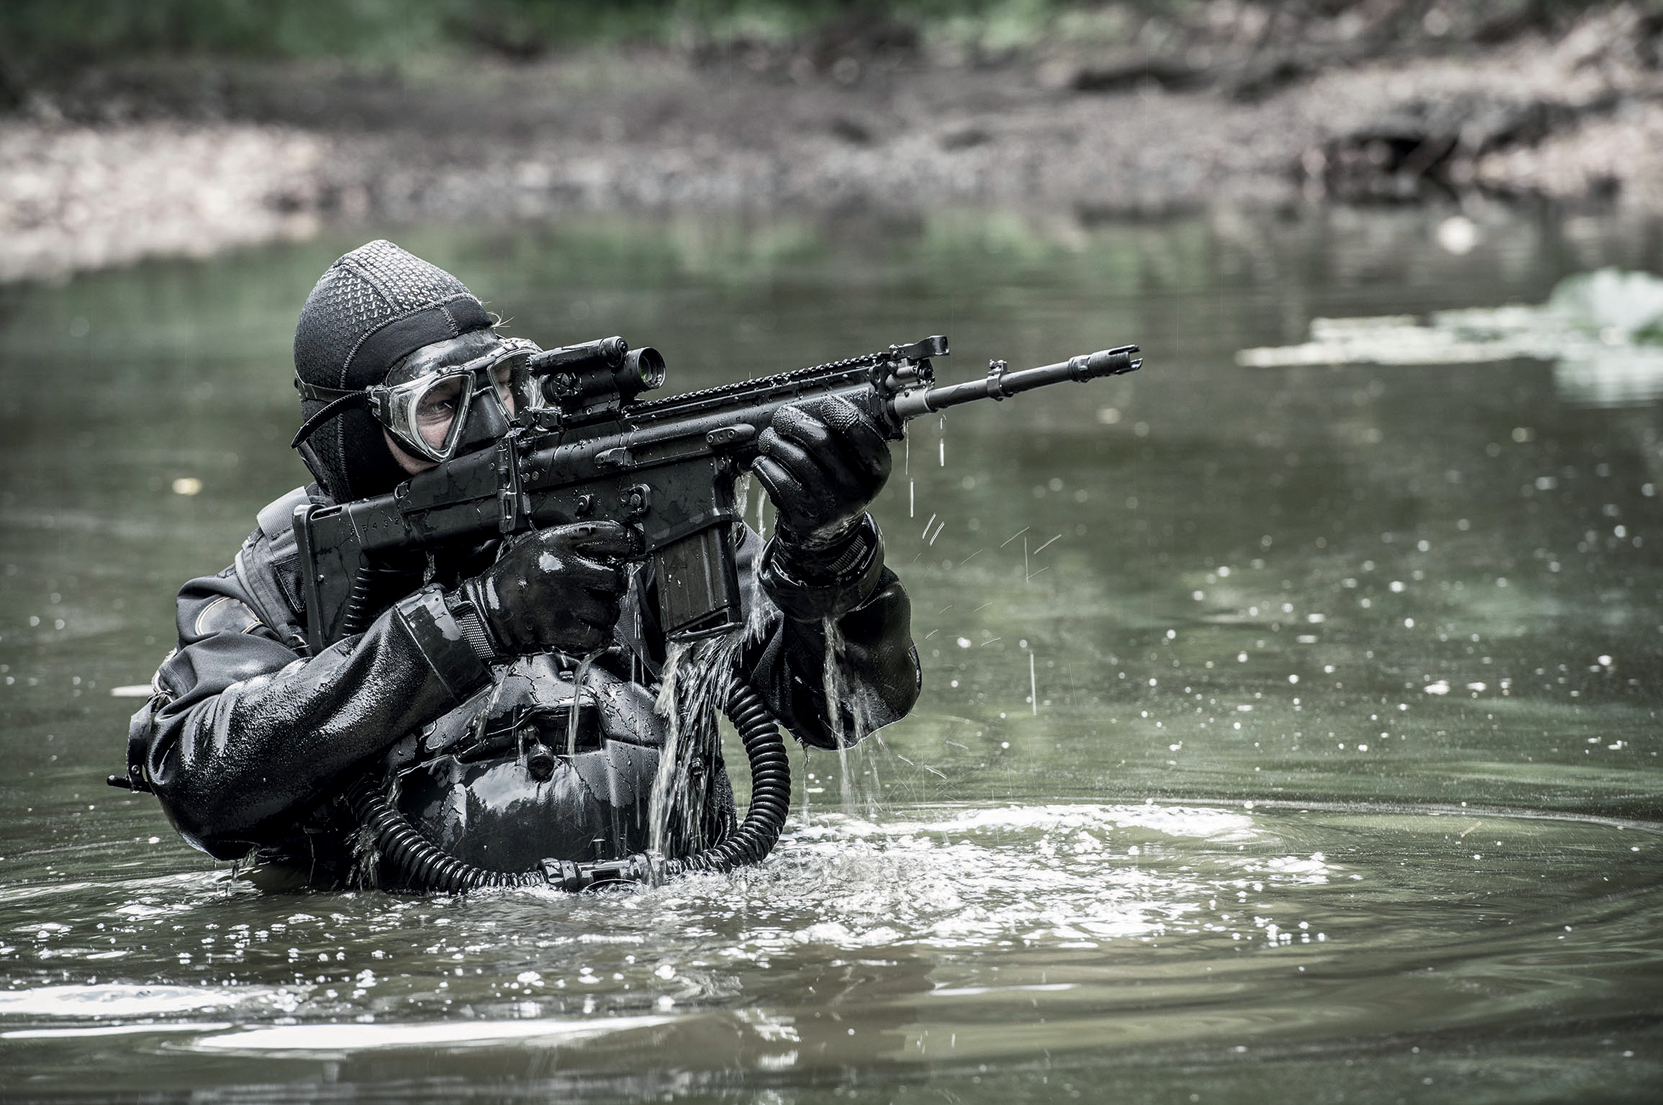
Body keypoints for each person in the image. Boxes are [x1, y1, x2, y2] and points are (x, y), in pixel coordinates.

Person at [123, 240, 921, 889]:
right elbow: (204, 781)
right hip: (417, 958)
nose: (492, 423)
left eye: (503, 384)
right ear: (356, 437)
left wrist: (828, 550)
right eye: (443, 404)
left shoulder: (618, 512)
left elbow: (848, 709)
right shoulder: (279, 582)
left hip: (672, 915)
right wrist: (478, 619)